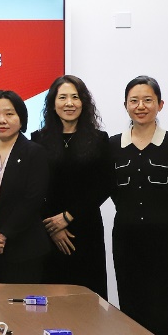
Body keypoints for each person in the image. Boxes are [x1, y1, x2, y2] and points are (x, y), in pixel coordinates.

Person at [109, 75, 168, 335]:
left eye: (148, 100)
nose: (141, 106)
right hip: (126, 238)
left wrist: (166, 220)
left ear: (160, 104)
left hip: (164, 239)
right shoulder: (113, 146)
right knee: (130, 307)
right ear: (125, 105)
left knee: (162, 307)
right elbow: (111, 189)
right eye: (134, 101)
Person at [31, 75, 113, 297]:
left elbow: (104, 184)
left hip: (86, 229)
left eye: (75, 97)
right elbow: (34, 187)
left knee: (88, 300)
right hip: (48, 231)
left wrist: (68, 216)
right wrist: (54, 226)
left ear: (84, 102)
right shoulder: (38, 139)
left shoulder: (99, 139)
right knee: (50, 300)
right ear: (52, 103)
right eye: (63, 97)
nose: (69, 103)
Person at [0, 90, 51, 283]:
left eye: (9, 114)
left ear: (21, 119)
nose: (1, 120)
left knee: (20, 302)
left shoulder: (35, 153)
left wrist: (4, 234)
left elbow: (33, 200)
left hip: (22, 248)